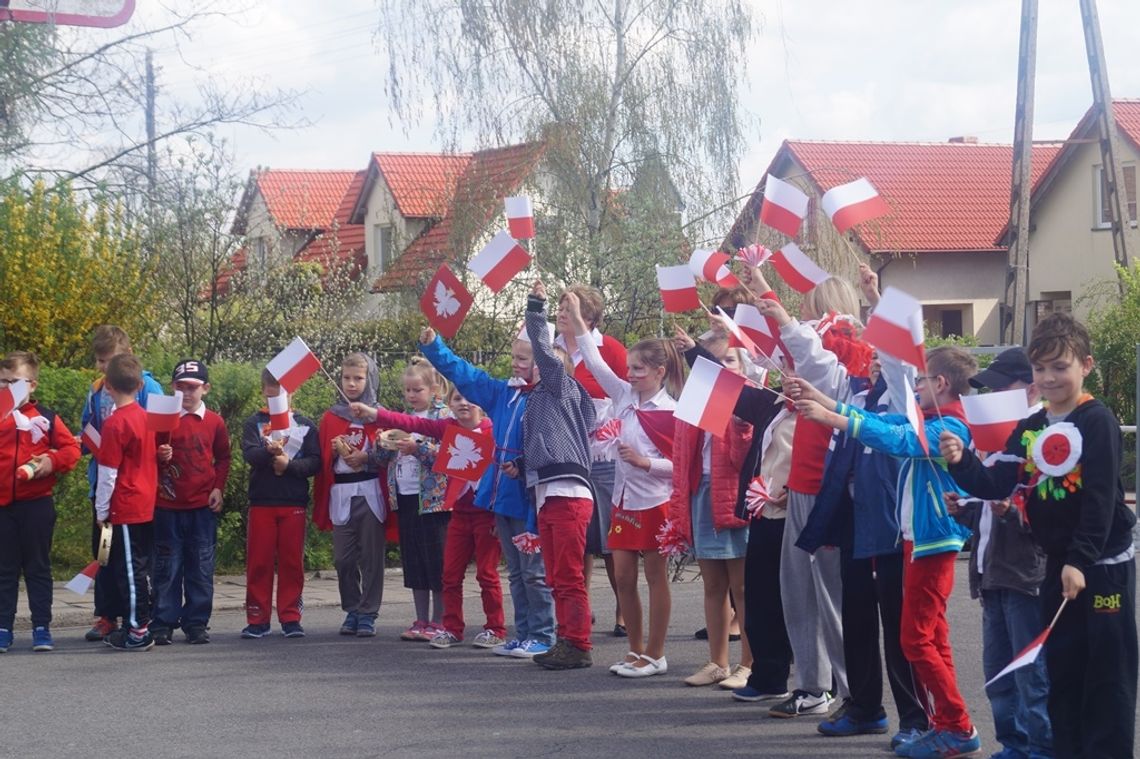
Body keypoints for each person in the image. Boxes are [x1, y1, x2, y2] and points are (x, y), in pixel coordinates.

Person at [942, 313, 1137, 759]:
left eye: (1060, 367)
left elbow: (1104, 501)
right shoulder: (1033, 426)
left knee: (1107, 679)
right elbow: (998, 482)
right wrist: (960, 462)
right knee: (1063, 675)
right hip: (1058, 569)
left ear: (1085, 365)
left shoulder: (1097, 421)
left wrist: (1080, 560)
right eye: (1040, 369)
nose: (1049, 378)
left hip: (1100, 571)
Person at [791, 345, 981, 759]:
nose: (915, 387)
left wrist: (830, 417)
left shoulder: (952, 428)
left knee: (915, 640)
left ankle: (957, 725)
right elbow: (878, 420)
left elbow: (898, 439)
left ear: (941, 384)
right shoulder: (930, 417)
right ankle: (950, 724)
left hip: (934, 544)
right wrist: (821, 399)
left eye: (921, 380)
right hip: (918, 541)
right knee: (932, 639)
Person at [772, 265, 928, 748]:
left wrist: (879, 299)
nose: (877, 363)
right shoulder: (859, 392)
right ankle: (864, 706)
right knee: (857, 617)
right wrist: (777, 312)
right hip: (856, 523)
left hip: (892, 528)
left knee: (901, 630)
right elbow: (816, 363)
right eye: (876, 357)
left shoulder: (903, 401)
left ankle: (918, 719)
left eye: (884, 356)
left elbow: (901, 361)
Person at [744, 266, 870, 718]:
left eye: (808, 308)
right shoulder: (819, 349)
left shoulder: (844, 347)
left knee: (828, 591)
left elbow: (814, 356)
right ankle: (813, 685)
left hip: (827, 485)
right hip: (802, 480)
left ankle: (849, 688)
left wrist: (778, 312)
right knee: (796, 587)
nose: (803, 316)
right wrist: (763, 294)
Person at [420, 319, 556, 660]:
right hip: (504, 498)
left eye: (524, 359)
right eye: (514, 357)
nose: (515, 363)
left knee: (535, 572)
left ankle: (544, 634)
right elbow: (465, 375)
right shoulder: (503, 393)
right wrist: (435, 346)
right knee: (516, 574)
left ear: (544, 362)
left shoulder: (551, 397)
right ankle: (524, 633)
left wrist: (523, 466)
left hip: (533, 498)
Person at [563, 292, 679, 678]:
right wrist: (578, 318)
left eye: (639, 369)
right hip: (624, 502)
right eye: (629, 368)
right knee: (625, 576)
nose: (630, 374)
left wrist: (647, 463)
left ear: (660, 372)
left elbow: (680, 467)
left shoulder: (672, 411)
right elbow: (594, 363)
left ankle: (656, 653)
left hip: (656, 502)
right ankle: (635, 650)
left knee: (654, 576)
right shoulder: (623, 397)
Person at [945, 347, 1051, 759]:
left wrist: (1012, 514)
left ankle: (1041, 748)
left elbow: (1049, 511)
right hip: (993, 573)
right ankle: (1014, 745)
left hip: (1026, 575)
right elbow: (993, 490)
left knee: (1030, 673)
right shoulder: (1003, 433)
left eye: (996, 387)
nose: (987, 396)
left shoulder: (1044, 435)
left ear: (1028, 389)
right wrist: (969, 503)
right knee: (998, 674)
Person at [353, 387, 505, 650]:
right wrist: (374, 413)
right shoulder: (448, 427)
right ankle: (452, 628)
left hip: (486, 514)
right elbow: (412, 422)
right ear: (450, 403)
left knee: (487, 574)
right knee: (450, 574)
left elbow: (503, 477)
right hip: (459, 512)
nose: (464, 403)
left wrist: (499, 517)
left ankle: (496, 628)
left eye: (470, 398)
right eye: (457, 398)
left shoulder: (494, 431)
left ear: (482, 403)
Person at [668, 338, 755, 689]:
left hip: (734, 498)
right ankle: (718, 661)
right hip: (702, 494)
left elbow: (741, 460)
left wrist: (739, 422)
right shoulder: (698, 395)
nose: (723, 369)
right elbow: (681, 457)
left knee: (743, 587)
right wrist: (679, 505)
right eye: (716, 362)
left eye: (730, 361)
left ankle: (749, 664)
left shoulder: (747, 399)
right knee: (713, 584)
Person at [522, 280, 597, 670]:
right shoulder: (538, 399)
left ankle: (578, 643)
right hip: (548, 492)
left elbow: (546, 353)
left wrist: (537, 307)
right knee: (555, 574)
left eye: (545, 360)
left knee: (567, 575)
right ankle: (566, 637)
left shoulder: (559, 386)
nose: (536, 363)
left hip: (567, 493)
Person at [79, 324, 163, 642]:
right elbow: (88, 426)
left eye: (107, 360)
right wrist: (82, 442)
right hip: (102, 488)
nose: (102, 367)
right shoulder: (97, 388)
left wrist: (163, 450)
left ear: (126, 354)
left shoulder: (147, 388)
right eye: (99, 361)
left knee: (131, 561)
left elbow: (161, 429)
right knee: (104, 554)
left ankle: (138, 621)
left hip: (125, 495)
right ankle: (107, 616)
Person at [554, 284, 628, 638]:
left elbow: (629, 396)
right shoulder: (550, 349)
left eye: (569, 307)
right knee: (576, 540)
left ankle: (624, 608)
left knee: (610, 540)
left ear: (588, 316)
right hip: (565, 456)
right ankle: (578, 609)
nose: (561, 312)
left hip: (602, 456)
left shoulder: (608, 348)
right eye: (560, 305)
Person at [0, 351, 81, 654]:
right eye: (3, 383)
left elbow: (71, 449)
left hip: (36, 504)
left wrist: (51, 460)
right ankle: (4, 627)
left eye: (16, 383)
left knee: (37, 568)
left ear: (32, 385)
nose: (8, 390)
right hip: (3, 507)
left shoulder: (45, 418)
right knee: (5, 570)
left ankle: (41, 628)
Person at [151, 359, 231, 646]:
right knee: (166, 567)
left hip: (201, 507)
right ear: (172, 387)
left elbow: (223, 458)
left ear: (205, 389)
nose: (186, 393)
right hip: (167, 505)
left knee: (201, 567)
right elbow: (147, 455)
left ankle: (196, 622)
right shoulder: (162, 419)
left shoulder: (214, 422)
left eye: (193, 388)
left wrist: (218, 488)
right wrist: (159, 456)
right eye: (180, 387)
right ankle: (162, 621)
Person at [372, 358, 450, 641]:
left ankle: (441, 620)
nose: (411, 396)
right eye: (407, 390)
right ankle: (420, 619)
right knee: (414, 560)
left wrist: (417, 448)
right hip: (405, 497)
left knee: (437, 561)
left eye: (417, 390)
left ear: (433, 389)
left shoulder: (443, 418)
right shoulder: (402, 420)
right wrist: (381, 442)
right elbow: (381, 459)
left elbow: (448, 458)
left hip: (435, 500)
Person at [240, 370, 320, 639]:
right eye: (271, 388)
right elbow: (250, 454)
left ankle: (290, 617)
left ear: (292, 391)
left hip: (293, 503)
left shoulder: (305, 424)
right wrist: (268, 452)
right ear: (263, 389)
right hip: (262, 502)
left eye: (283, 389)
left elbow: (315, 462)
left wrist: (289, 465)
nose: (276, 393)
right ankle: (257, 618)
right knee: (259, 562)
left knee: (291, 563)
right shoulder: (254, 422)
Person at [313, 353, 386, 638]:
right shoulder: (331, 418)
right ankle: (352, 607)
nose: (352, 384)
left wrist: (366, 458)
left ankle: (368, 612)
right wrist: (334, 453)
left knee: (371, 555)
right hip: (341, 491)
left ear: (370, 379)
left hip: (369, 489)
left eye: (358, 378)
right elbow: (321, 459)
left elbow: (387, 453)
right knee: (343, 558)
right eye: (347, 378)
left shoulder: (379, 414)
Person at [94, 353, 159, 651]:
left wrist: (102, 510)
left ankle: (138, 629)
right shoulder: (147, 418)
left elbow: (108, 473)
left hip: (125, 504)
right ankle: (143, 622)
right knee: (140, 567)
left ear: (108, 386)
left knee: (130, 571)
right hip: (145, 501)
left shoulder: (114, 424)